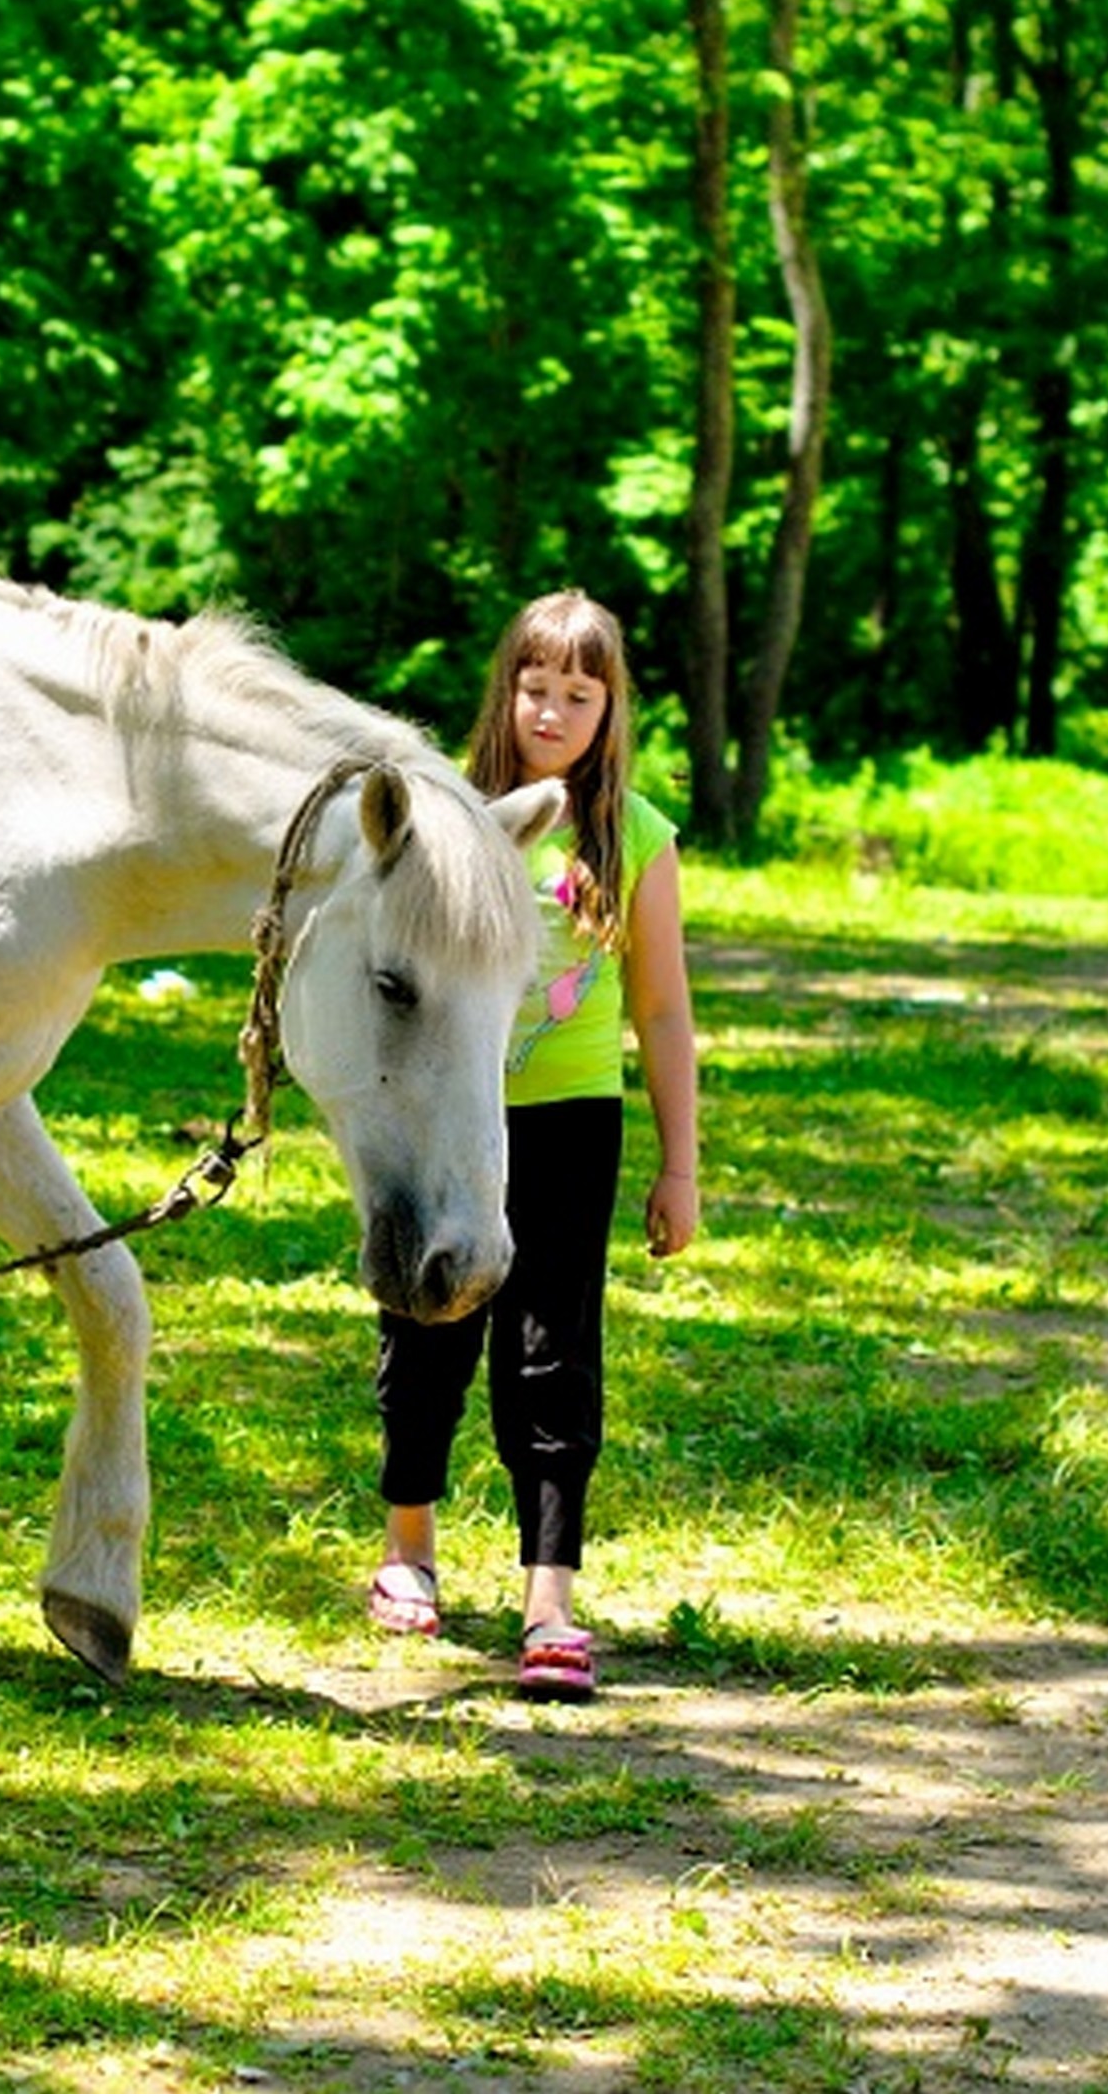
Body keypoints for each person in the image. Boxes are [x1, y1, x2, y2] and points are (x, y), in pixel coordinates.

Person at [363, 589, 699, 1699]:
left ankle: (548, 1598)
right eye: (535, 687)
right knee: (427, 1329)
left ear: (610, 710)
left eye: (578, 694)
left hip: (568, 1127)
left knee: (551, 1350)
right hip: (446, 1119)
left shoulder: (635, 839)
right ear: (503, 689)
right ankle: (406, 1549)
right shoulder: (444, 815)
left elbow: (659, 1010)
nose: (552, 711)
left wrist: (677, 1165)